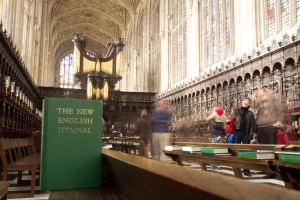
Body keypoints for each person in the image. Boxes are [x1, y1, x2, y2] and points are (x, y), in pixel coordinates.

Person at [255, 88, 283, 179]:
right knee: (265, 150)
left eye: (262, 95)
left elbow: (280, 113)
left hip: (271, 127)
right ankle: (269, 170)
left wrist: (279, 120)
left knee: (272, 149)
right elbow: (258, 117)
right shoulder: (262, 105)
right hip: (261, 129)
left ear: (267, 93)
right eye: (260, 96)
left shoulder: (274, 102)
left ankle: (277, 171)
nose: (261, 97)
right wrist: (256, 131)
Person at [233, 97, 257, 176]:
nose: (244, 100)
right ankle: (236, 168)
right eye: (244, 99)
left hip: (246, 133)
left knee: (246, 151)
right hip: (237, 132)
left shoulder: (250, 113)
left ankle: (246, 170)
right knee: (236, 151)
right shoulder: (236, 111)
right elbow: (232, 121)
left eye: (247, 100)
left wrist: (251, 134)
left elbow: (253, 124)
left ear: (249, 103)